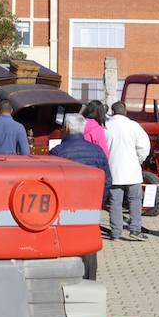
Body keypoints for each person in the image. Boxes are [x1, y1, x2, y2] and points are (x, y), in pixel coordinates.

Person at [51, 112, 111, 279]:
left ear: (67, 128)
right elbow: (108, 180)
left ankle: (65, 277)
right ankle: (90, 278)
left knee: (66, 243)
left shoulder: (57, 152)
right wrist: (99, 201)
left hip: (65, 208)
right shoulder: (97, 151)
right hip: (90, 207)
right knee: (89, 245)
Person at [104, 101, 151, 241]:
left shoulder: (106, 126)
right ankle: (135, 230)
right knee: (135, 201)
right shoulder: (133, 126)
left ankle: (116, 232)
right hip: (132, 171)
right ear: (125, 111)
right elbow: (144, 147)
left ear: (112, 111)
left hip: (113, 171)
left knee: (114, 203)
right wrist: (139, 160)